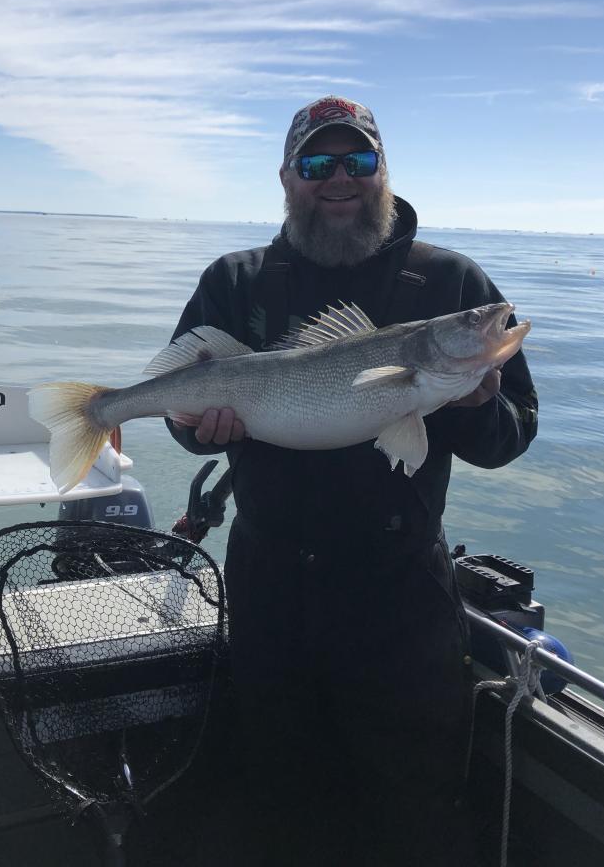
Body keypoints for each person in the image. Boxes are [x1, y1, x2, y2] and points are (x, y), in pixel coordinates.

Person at [166, 95, 538, 866]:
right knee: (280, 793)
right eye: (316, 163)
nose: (338, 178)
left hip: (401, 595)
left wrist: (475, 406)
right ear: (286, 179)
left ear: (383, 172)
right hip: (269, 588)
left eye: (358, 160)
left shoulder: (451, 285)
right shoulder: (235, 280)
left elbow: (510, 438)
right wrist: (195, 427)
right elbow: (182, 412)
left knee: (413, 804)